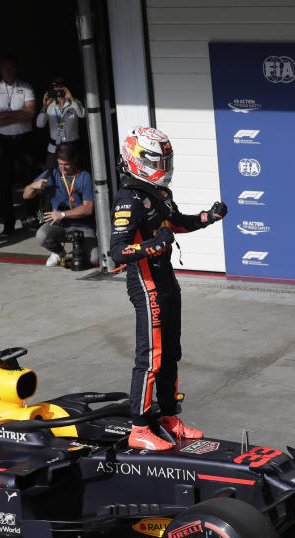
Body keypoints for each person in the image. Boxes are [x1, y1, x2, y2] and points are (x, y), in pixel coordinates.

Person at [109, 127, 227, 450]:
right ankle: (139, 427)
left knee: (172, 353)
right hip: (146, 287)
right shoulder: (128, 199)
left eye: (166, 159)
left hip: (167, 282)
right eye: (159, 160)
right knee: (151, 357)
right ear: (139, 161)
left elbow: (175, 223)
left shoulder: (159, 193)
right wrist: (151, 245)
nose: (165, 165)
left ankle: (168, 418)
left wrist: (207, 217)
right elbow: (116, 252)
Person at [0, 55, 37, 237]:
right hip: (3, 142)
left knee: (30, 180)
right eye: (5, 68)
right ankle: (8, 223)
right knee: (4, 183)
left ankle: (32, 218)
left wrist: (4, 115)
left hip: (24, 139)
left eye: (11, 68)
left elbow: (29, 113)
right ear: (1, 70)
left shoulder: (26, 87)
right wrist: (16, 115)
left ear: (16, 69)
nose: (8, 71)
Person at [21, 143, 96, 267]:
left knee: (94, 259)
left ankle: (81, 245)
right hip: (60, 225)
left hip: (82, 226)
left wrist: (62, 214)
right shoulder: (52, 174)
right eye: (60, 164)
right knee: (42, 236)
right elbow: (26, 195)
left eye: (66, 164)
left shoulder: (84, 177)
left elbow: (88, 209)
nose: (63, 168)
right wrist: (33, 186)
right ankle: (59, 252)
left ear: (75, 160)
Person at [35, 76, 85, 170]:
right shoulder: (50, 105)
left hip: (71, 147)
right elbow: (39, 124)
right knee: (51, 176)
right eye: (55, 85)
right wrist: (44, 106)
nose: (58, 87)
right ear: (52, 88)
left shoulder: (74, 103)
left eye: (61, 85)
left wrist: (71, 98)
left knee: (72, 176)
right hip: (54, 148)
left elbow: (82, 114)